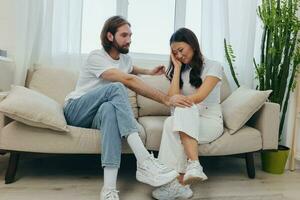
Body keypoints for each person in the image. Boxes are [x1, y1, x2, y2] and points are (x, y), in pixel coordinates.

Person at [63, 16, 192, 200]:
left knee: (109, 110)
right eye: (124, 35)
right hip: (77, 109)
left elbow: (131, 70)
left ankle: (108, 188)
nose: (129, 39)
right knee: (116, 87)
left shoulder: (125, 59)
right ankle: (144, 160)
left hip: (97, 115)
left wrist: (148, 71)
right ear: (109, 36)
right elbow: (127, 79)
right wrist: (166, 100)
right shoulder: (96, 57)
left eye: (130, 35)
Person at [152, 28, 224, 200]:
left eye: (181, 50)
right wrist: (176, 69)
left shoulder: (214, 66)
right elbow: (171, 99)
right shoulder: (181, 70)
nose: (178, 55)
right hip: (186, 120)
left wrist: (180, 103)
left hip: (209, 121)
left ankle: (183, 178)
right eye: (174, 53)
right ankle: (182, 178)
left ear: (192, 45)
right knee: (171, 122)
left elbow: (199, 97)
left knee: (184, 108)